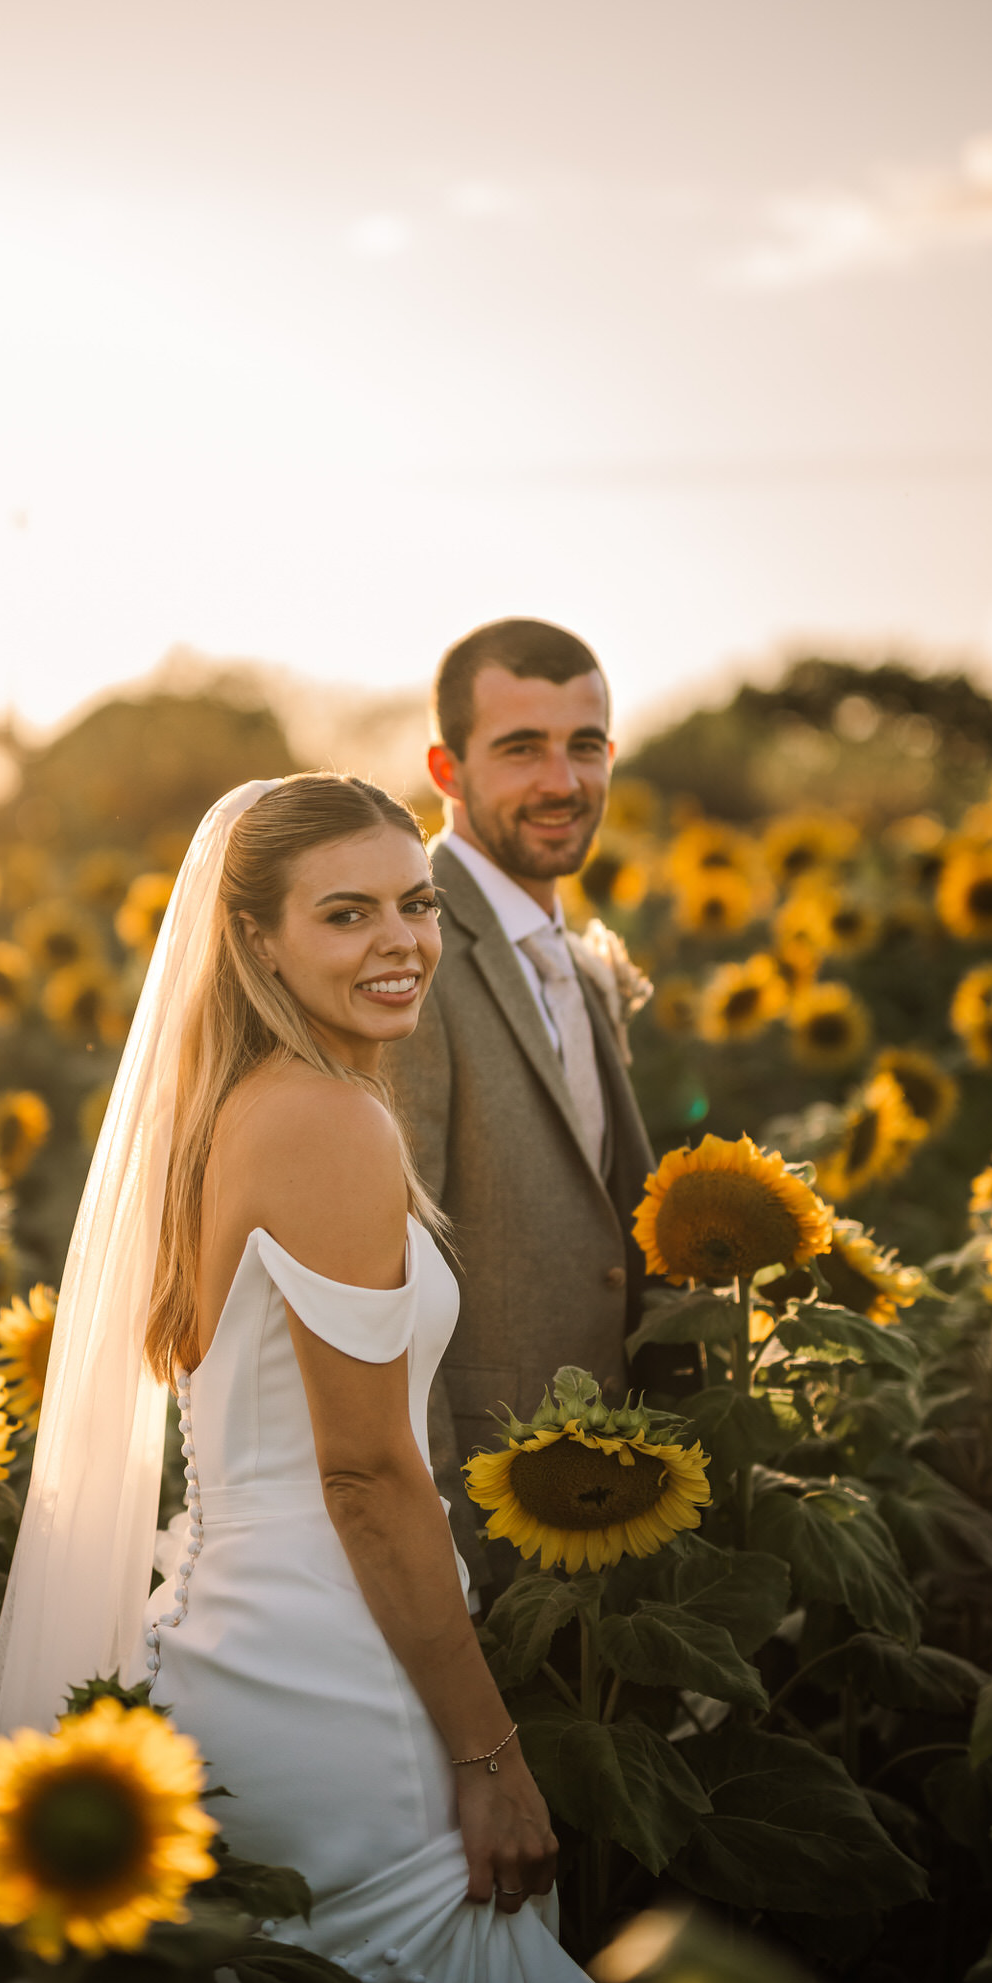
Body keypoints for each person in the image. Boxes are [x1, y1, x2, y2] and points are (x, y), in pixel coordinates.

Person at [0, 773, 611, 1983]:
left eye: (414, 904)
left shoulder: (236, 1108)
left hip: (227, 1634)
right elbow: (370, 1479)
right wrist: (491, 1755)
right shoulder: (326, 1122)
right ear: (255, 937)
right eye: (345, 913)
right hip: (345, 1679)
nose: (401, 941)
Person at [386, 619, 657, 1591]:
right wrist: (445, 1562)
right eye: (520, 749)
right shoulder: (404, 948)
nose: (561, 782)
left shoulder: (578, 964)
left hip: (605, 1497)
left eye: (584, 747)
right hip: (484, 1524)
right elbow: (389, 1285)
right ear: (445, 770)